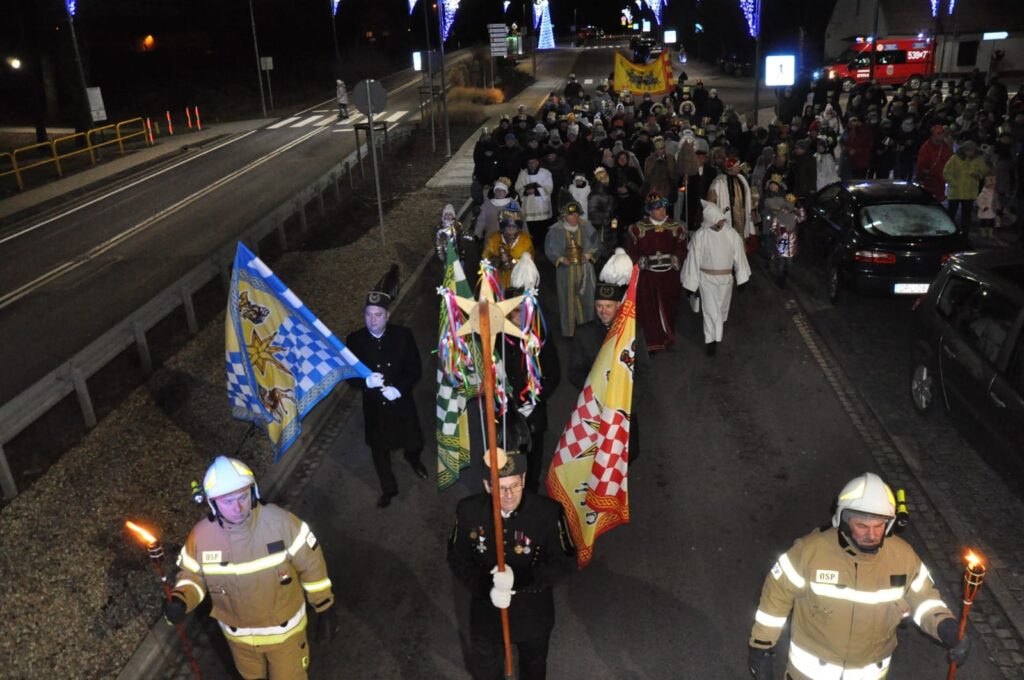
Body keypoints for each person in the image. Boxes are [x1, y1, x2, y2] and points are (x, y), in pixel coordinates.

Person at [747, 472, 970, 680]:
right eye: (862, 525)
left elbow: (924, 600)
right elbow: (775, 599)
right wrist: (761, 646)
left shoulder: (903, 557)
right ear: (843, 520)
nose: (871, 535)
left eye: (879, 526)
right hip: (810, 674)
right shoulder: (809, 552)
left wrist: (946, 626)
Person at [165, 456, 337, 680]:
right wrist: (181, 599)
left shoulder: (282, 523)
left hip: (285, 636)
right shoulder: (201, 537)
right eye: (227, 501)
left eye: (243, 497)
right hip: (240, 641)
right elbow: (192, 576)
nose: (237, 508)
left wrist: (325, 607)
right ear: (213, 503)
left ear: (253, 492)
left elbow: (312, 567)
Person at [447, 451, 576, 680]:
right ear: (487, 485)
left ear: (524, 479)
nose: (508, 495)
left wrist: (521, 579)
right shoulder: (468, 511)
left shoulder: (548, 512)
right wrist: (486, 586)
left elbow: (565, 562)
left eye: (514, 486)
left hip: (532, 612)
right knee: (486, 671)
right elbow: (457, 557)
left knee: (533, 668)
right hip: (487, 611)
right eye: (500, 487)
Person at [345, 266, 427, 508]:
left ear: (388, 316)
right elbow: (349, 376)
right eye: (368, 314)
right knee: (379, 453)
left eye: (378, 315)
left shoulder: (403, 336)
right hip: (376, 410)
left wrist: (399, 389)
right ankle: (388, 489)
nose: (372, 320)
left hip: (401, 405)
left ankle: (413, 459)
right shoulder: (355, 340)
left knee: (413, 442)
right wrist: (364, 383)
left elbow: (415, 370)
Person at [568, 248, 649, 462]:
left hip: (624, 407)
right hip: (594, 409)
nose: (603, 311)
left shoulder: (633, 332)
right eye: (599, 306)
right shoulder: (583, 333)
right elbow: (574, 372)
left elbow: (642, 370)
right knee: (596, 456)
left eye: (608, 306)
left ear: (618, 306)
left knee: (628, 453)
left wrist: (629, 401)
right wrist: (596, 390)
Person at [503, 255, 560, 492]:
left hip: (535, 412)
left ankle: (531, 490)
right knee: (511, 458)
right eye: (514, 312)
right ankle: (511, 491)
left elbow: (554, 373)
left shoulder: (541, 337)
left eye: (523, 311)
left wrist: (536, 398)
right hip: (508, 413)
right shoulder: (499, 340)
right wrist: (510, 401)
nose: (519, 316)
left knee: (535, 457)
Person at [681, 201, 751, 356]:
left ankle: (715, 334)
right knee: (711, 312)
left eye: (721, 220)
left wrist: (742, 278)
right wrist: (690, 284)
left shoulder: (731, 234)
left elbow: (739, 256)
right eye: (718, 221)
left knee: (721, 310)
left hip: (726, 280)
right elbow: (693, 259)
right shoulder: (701, 235)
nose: (721, 223)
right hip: (707, 280)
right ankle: (710, 341)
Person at [626, 192, 688, 352]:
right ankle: (652, 341)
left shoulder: (677, 228)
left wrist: (677, 258)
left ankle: (667, 336)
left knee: (669, 306)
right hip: (648, 277)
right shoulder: (637, 229)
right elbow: (631, 251)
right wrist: (641, 261)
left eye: (664, 208)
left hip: (669, 277)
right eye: (658, 209)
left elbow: (682, 249)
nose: (663, 211)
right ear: (650, 211)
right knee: (648, 308)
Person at [544, 201, 599, 337]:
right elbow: (550, 249)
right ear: (564, 216)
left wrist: (588, 255)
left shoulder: (587, 227)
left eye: (576, 214)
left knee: (587, 300)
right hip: (565, 272)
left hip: (585, 271)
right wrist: (562, 259)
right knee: (566, 300)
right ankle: (569, 332)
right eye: (571, 215)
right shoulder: (555, 230)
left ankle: (586, 330)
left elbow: (596, 244)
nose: (575, 217)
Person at [482, 201, 536, 292]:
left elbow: (531, 260)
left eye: (514, 226)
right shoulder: (493, 239)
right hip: (499, 280)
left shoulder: (526, 240)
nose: (511, 229)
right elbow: (485, 258)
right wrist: (499, 262)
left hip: (520, 280)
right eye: (508, 226)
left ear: (518, 227)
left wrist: (514, 262)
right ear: (503, 226)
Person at [943, 139, 990, 240]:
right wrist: (953, 182)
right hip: (955, 191)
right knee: (951, 214)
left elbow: (985, 171)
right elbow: (946, 172)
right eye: (967, 150)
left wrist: (979, 175)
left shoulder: (979, 159)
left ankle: (964, 235)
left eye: (971, 150)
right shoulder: (955, 158)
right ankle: (949, 234)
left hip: (969, 191)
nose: (969, 152)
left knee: (966, 216)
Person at [707, 156, 754, 245]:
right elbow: (711, 201)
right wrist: (714, 218)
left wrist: (752, 209)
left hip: (742, 217)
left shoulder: (742, 179)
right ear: (731, 168)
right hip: (727, 218)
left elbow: (748, 196)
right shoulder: (719, 182)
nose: (739, 167)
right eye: (737, 166)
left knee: (740, 242)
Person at [516, 151, 555, 241]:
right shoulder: (523, 173)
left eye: (533, 162)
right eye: (529, 163)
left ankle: (543, 245)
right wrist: (525, 191)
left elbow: (549, 187)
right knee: (531, 229)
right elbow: (517, 187)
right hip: (528, 205)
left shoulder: (546, 173)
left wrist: (536, 190)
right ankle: (532, 245)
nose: (531, 164)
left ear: (537, 162)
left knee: (542, 228)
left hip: (542, 205)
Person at [916, 125, 953, 203]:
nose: (942, 135)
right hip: (928, 181)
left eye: (942, 133)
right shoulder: (925, 147)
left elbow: (950, 161)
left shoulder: (945, 146)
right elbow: (921, 165)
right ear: (932, 135)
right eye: (938, 133)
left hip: (941, 181)